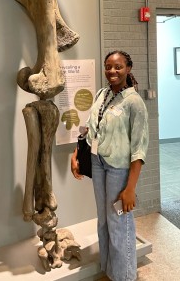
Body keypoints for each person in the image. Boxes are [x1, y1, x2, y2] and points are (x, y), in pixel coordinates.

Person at [71, 50, 149, 281]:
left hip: (119, 169)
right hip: (97, 163)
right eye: (108, 67)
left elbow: (139, 149)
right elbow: (89, 128)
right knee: (103, 218)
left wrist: (130, 188)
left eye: (118, 67)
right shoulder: (102, 93)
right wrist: (76, 154)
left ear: (128, 69)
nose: (112, 71)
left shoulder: (134, 102)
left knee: (119, 220)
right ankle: (109, 271)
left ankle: (124, 276)